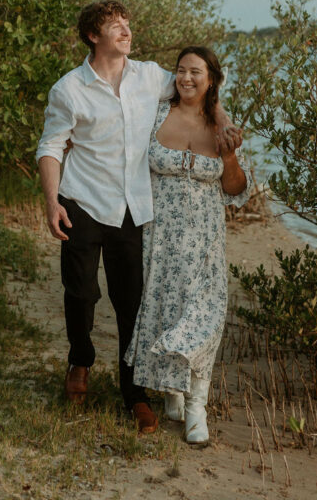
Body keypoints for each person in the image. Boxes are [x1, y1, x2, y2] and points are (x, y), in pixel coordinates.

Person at [35, 0, 175, 434]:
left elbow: (197, 86)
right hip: (82, 201)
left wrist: (222, 124)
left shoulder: (151, 76)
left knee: (131, 301)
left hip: (133, 208)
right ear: (93, 36)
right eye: (114, 25)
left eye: (127, 23)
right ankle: (80, 360)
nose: (125, 30)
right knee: (80, 293)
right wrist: (52, 201)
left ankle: (135, 393)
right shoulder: (69, 89)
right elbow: (51, 146)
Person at [124, 46, 252, 447]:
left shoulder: (222, 131)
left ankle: (198, 405)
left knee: (205, 318)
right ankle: (173, 392)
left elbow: (236, 189)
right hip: (159, 237)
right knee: (168, 311)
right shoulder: (156, 112)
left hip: (205, 242)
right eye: (181, 70)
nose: (186, 78)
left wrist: (229, 158)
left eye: (196, 71)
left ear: (211, 78)